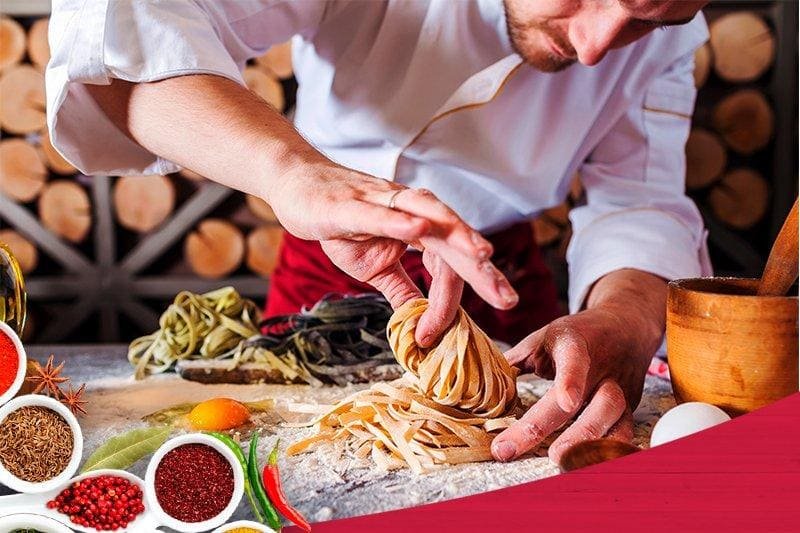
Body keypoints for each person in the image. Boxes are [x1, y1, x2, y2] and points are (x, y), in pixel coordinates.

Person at [47, 0, 711, 464]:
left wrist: (624, 319)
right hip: (334, 262)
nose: (595, 47)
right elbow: (123, 24)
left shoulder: (665, 40)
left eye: (648, 22)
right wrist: (293, 172)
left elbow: (640, 202)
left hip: (503, 286)